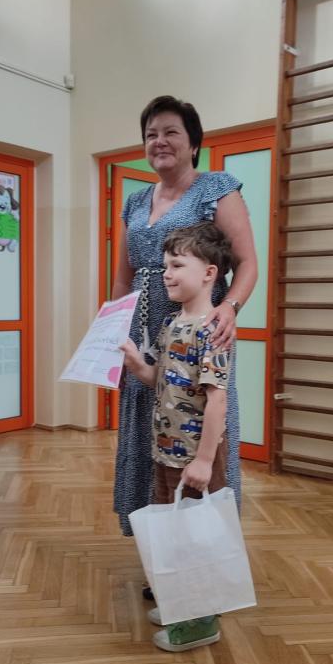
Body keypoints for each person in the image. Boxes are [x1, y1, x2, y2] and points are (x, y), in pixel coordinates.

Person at [112, 95, 258, 545]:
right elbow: (122, 278)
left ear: (194, 143)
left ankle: (203, 550)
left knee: (198, 424)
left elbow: (247, 263)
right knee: (148, 431)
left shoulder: (217, 188)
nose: (159, 141)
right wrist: (109, 333)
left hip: (198, 332)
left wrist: (229, 307)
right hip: (144, 335)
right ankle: (159, 549)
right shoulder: (135, 201)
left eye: (171, 132)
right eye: (151, 134)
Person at [121, 221, 234, 651]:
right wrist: (138, 366)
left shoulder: (212, 328)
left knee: (195, 539)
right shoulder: (172, 323)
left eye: (176, 265)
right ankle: (183, 604)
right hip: (166, 452)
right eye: (165, 265)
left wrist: (204, 460)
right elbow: (164, 382)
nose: (166, 274)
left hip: (194, 458)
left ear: (208, 273)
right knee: (175, 534)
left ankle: (200, 623)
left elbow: (217, 401)